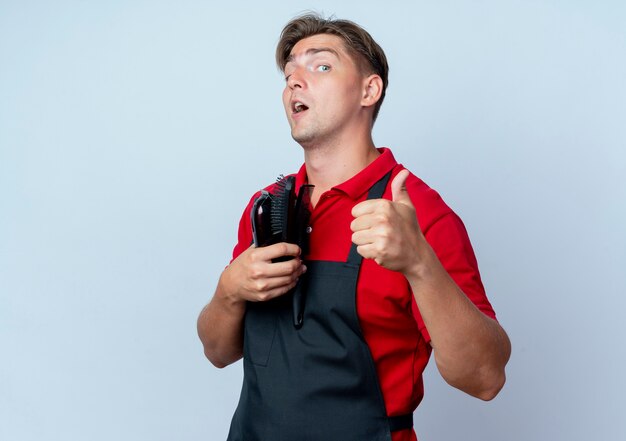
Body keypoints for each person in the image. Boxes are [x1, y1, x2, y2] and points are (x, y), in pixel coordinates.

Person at [197, 13, 511, 441]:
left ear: (369, 89)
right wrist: (228, 290)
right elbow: (218, 351)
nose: (295, 81)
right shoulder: (266, 209)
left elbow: (485, 378)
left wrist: (419, 264)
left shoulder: (420, 213)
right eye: (289, 73)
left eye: (320, 66)